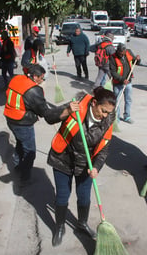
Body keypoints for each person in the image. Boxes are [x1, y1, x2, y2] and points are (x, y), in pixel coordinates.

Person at [47, 86, 116, 246]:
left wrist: (96, 167)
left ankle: (82, 224)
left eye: (108, 112)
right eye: (103, 110)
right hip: (62, 159)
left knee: (84, 196)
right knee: (62, 195)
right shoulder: (75, 107)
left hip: (86, 164)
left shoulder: (107, 121)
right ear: (94, 103)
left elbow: (104, 149)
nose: (105, 115)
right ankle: (59, 227)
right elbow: (49, 117)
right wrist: (66, 112)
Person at [4, 64, 79, 186]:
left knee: (20, 142)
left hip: (9, 117)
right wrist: (66, 108)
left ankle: (17, 165)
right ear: (34, 76)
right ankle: (25, 177)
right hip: (22, 122)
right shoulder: (33, 90)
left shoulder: (16, 79)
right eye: (41, 78)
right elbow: (46, 113)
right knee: (30, 151)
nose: (42, 81)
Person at [109, 43, 140, 124]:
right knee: (117, 100)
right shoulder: (112, 57)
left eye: (123, 53)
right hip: (118, 83)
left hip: (128, 81)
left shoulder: (128, 52)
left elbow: (135, 62)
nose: (122, 55)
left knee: (128, 99)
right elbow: (113, 72)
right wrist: (122, 79)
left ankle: (127, 116)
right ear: (117, 51)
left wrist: (138, 59)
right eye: (120, 53)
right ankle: (117, 118)